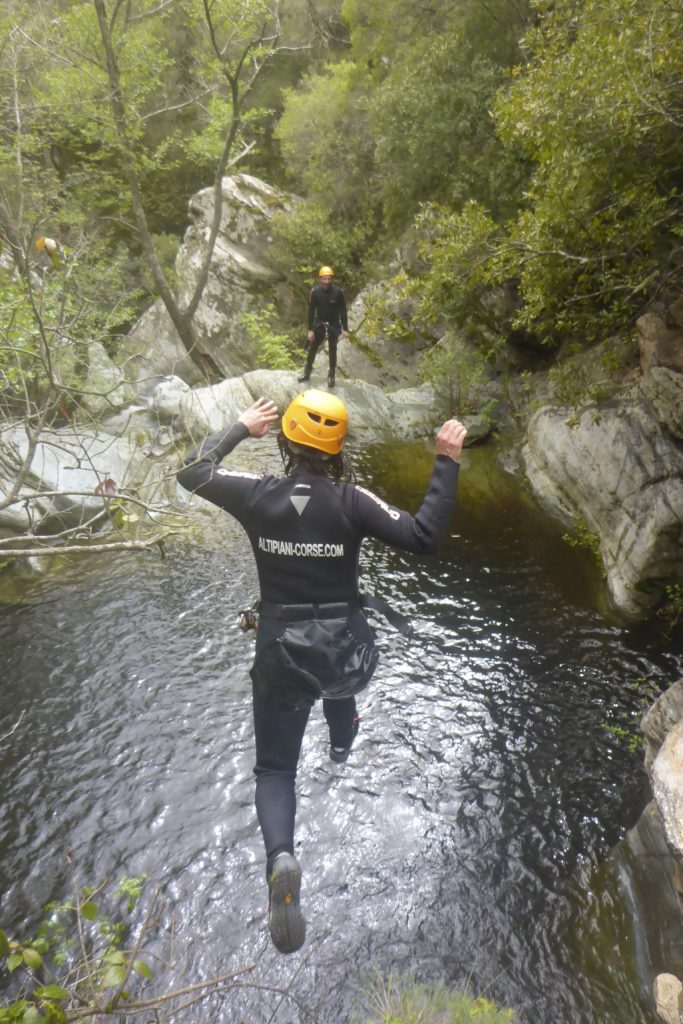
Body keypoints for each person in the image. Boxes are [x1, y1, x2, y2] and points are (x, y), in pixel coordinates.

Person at [176, 389, 467, 955]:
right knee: (340, 688)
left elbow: (192, 471)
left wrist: (239, 427)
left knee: (275, 770)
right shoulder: (351, 501)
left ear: (285, 439)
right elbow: (425, 536)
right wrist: (446, 462)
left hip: (281, 648)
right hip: (342, 647)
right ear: (337, 449)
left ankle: (282, 857)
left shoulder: (256, 496)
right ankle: (339, 750)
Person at [298, 266, 348, 388]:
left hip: (333, 325)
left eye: (329, 279)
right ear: (320, 279)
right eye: (324, 279)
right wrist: (310, 330)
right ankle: (307, 372)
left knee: (332, 351)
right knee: (312, 349)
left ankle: (331, 375)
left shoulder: (338, 292)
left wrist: (345, 329)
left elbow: (343, 311)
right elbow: (311, 311)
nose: (326, 282)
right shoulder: (315, 292)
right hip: (319, 324)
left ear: (332, 279)